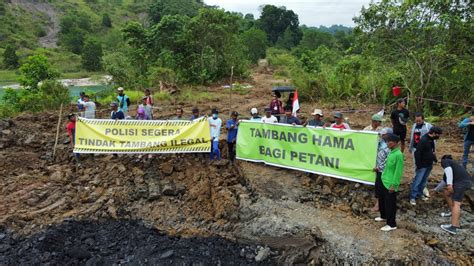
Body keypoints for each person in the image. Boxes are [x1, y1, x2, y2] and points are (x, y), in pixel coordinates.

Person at [433, 155, 473, 234]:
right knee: (446, 192)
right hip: (467, 182)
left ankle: (453, 227)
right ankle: (453, 212)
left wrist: (450, 184)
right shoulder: (455, 167)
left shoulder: (445, 161)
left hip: (461, 183)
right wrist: (435, 190)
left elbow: (448, 170)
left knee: (456, 203)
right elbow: (444, 181)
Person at [375, 133, 404, 232]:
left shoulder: (398, 155)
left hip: (390, 183)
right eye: (386, 141)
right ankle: (383, 216)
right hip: (384, 179)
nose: (387, 143)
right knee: (382, 200)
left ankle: (391, 224)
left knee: (390, 204)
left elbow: (398, 172)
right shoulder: (391, 152)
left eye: (389, 141)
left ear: (395, 143)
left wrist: (394, 185)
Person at [410, 126, 443, 206]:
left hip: (429, 164)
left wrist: (435, 160)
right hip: (422, 165)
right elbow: (417, 153)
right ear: (434, 133)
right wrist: (419, 165)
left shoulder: (431, 140)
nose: (438, 137)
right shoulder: (423, 140)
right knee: (417, 181)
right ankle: (413, 197)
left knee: (423, 181)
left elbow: (432, 152)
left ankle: (419, 194)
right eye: (438, 135)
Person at [408, 112, 433, 198]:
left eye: (419, 120)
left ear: (423, 119)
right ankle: (416, 182)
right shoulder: (414, 125)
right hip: (416, 149)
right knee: (417, 166)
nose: (418, 122)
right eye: (416, 120)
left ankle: (421, 185)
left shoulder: (428, 126)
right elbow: (412, 137)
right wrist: (410, 147)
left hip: (425, 151)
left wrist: (433, 150)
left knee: (423, 168)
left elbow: (433, 139)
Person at [371, 127, 393, 212]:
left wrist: (379, 167)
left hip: (383, 170)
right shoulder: (380, 142)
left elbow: (387, 160)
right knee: (377, 187)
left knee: (381, 188)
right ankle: (380, 204)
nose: (382, 135)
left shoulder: (389, 146)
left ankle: (379, 205)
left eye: (384, 134)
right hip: (378, 168)